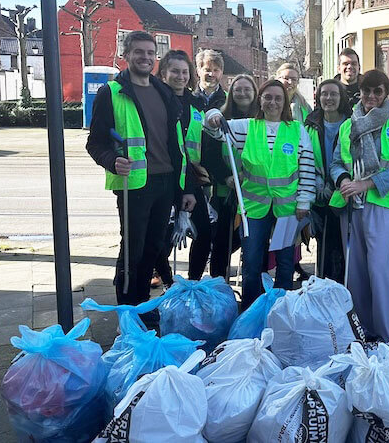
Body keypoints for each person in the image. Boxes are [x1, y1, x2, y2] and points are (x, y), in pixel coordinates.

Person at [86, 31, 197, 318]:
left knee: (153, 248)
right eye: (139, 52)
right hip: (134, 184)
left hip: (166, 181)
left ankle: (143, 306)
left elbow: (177, 144)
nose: (146, 57)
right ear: (126, 54)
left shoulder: (164, 92)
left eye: (150, 53)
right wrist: (112, 160)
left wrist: (184, 188)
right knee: (132, 251)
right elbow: (95, 142)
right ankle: (128, 310)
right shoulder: (111, 92)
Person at [205, 79, 316, 309]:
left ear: (285, 102)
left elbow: (306, 168)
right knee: (252, 262)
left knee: (286, 262)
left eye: (278, 98)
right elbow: (214, 129)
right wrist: (214, 114)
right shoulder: (246, 127)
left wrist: (304, 200)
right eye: (268, 97)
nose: (273, 102)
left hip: (288, 208)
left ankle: (282, 309)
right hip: (253, 208)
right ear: (261, 100)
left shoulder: (297, 130)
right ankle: (250, 309)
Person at [329, 69, 389, 345]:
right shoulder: (347, 125)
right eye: (367, 91)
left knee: (380, 272)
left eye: (378, 91)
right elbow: (335, 163)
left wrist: (366, 184)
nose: (371, 97)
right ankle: (362, 331)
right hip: (351, 205)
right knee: (356, 272)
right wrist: (343, 180)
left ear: (386, 93)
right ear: (360, 92)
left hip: (382, 204)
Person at [152, 50, 211, 283]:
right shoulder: (156, 101)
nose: (180, 76)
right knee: (161, 239)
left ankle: (193, 283)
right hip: (163, 178)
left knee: (204, 233)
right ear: (164, 73)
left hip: (191, 179)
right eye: (174, 71)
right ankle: (168, 281)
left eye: (184, 71)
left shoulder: (197, 103)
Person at [206, 73, 259, 279]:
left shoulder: (262, 120)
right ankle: (219, 285)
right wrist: (225, 177)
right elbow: (209, 155)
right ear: (231, 93)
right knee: (222, 242)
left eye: (247, 89)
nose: (242, 93)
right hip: (226, 191)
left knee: (252, 242)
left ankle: (253, 285)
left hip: (255, 192)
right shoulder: (221, 118)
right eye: (238, 90)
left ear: (255, 93)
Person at [304, 79, 352, 283]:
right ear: (318, 97)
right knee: (323, 244)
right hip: (319, 194)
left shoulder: (352, 123)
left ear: (341, 98)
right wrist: (316, 185)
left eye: (334, 94)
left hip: (344, 192)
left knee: (342, 245)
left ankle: (342, 287)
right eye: (324, 93)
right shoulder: (310, 124)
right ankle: (322, 286)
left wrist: (339, 186)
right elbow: (304, 158)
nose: (329, 98)